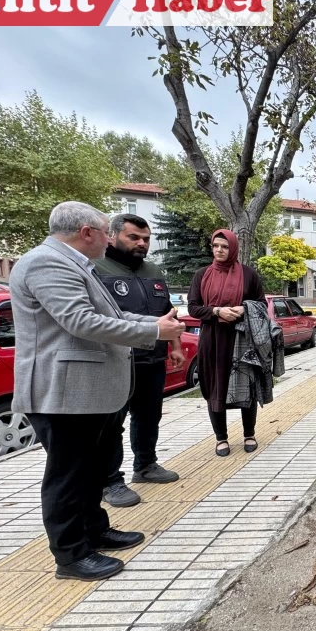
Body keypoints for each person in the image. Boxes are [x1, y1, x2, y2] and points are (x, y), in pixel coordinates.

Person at [9, 202, 184, 581]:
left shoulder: (76, 265)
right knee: (68, 475)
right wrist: (154, 333)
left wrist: (155, 321)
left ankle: (94, 530)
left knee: (91, 469)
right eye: (107, 232)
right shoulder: (46, 263)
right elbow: (81, 321)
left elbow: (113, 317)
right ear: (86, 232)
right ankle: (71, 556)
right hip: (64, 392)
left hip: (88, 392)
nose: (109, 239)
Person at [95, 213, 185, 508]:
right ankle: (110, 480)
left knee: (149, 417)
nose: (142, 244)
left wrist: (175, 346)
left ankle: (145, 466)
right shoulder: (97, 268)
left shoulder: (153, 270)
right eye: (133, 237)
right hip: (117, 359)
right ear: (112, 236)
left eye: (146, 239)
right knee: (112, 422)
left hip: (152, 359)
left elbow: (168, 313)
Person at [187, 229, 267, 457]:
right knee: (215, 387)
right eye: (216, 246)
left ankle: (249, 433)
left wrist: (244, 308)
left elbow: (261, 304)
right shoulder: (201, 275)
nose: (220, 250)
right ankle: (221, 438)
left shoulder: (249, 275)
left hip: (242, 339)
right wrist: (216, 311)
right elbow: (193, 307)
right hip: (212, 340)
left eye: (225, 246)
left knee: (246, 385)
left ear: (233, 248)